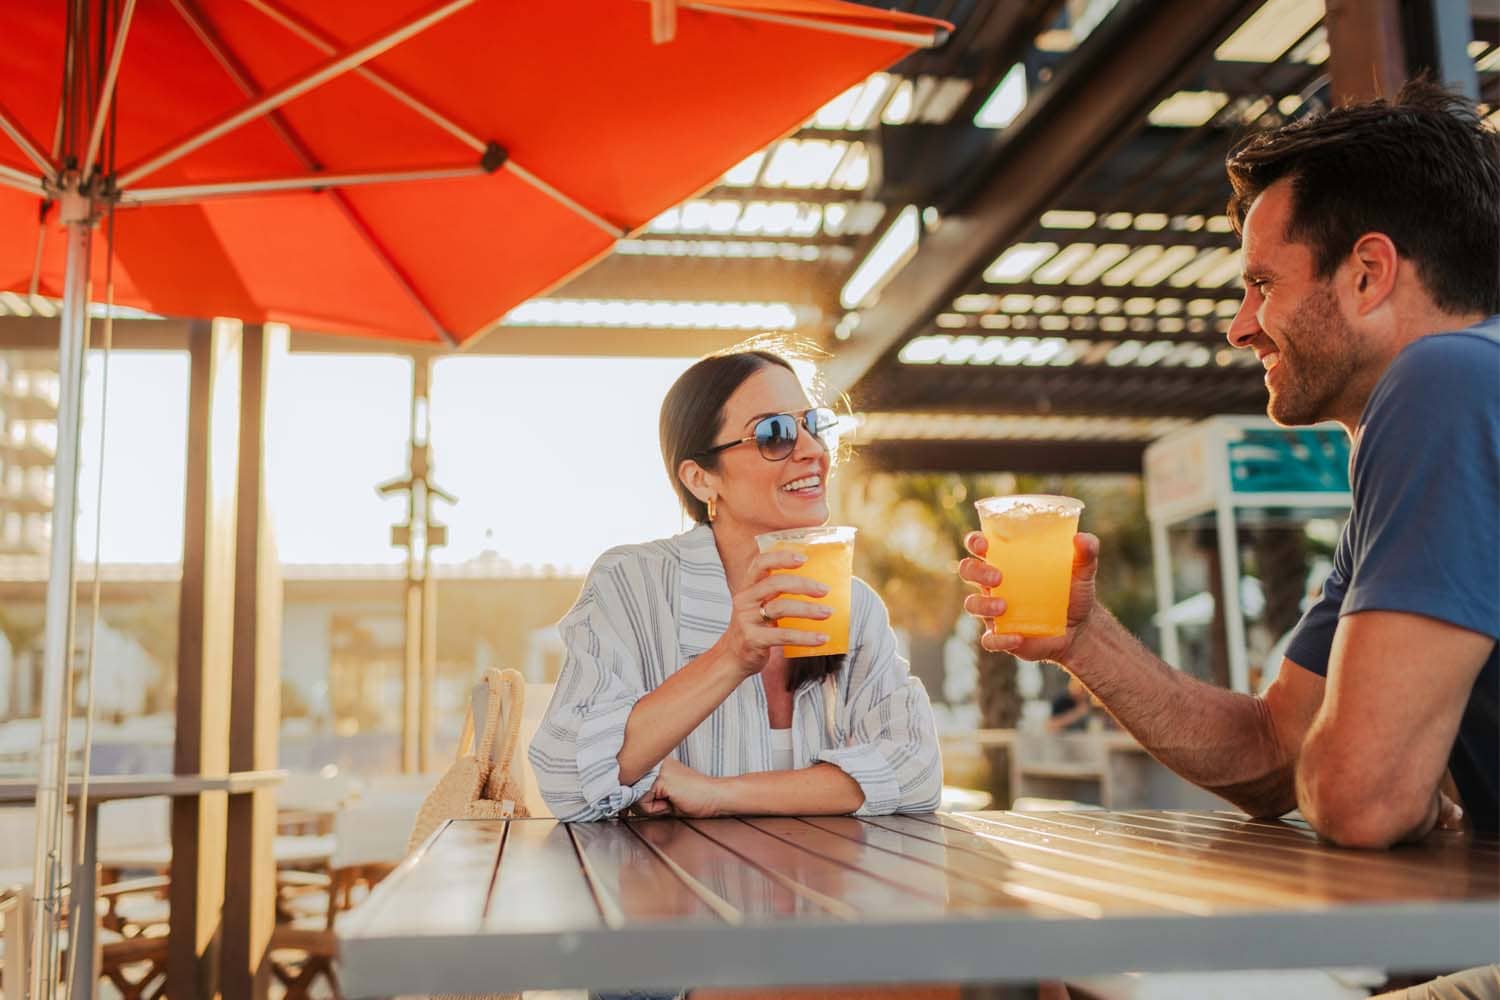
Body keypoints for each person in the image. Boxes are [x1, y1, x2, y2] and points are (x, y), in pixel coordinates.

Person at [960, 79, 1498, 996]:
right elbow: (1273, 751)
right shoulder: (1447, 413)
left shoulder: (1445, 381)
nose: (1239, 324)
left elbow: (1360, 799)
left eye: (1259, 283)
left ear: (1368, 272)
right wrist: (1085, 639)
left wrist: (1388, 776)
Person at [530, 344, 942, 825]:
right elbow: (566, 781)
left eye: (813, 425)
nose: (812, 450)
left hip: (822, 896)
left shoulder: (854, 605)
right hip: (671, 895)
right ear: (702, 478)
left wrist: (716, 793)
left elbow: (916, 770)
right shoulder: (632, 584)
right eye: (775, 434)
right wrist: (730, 657)